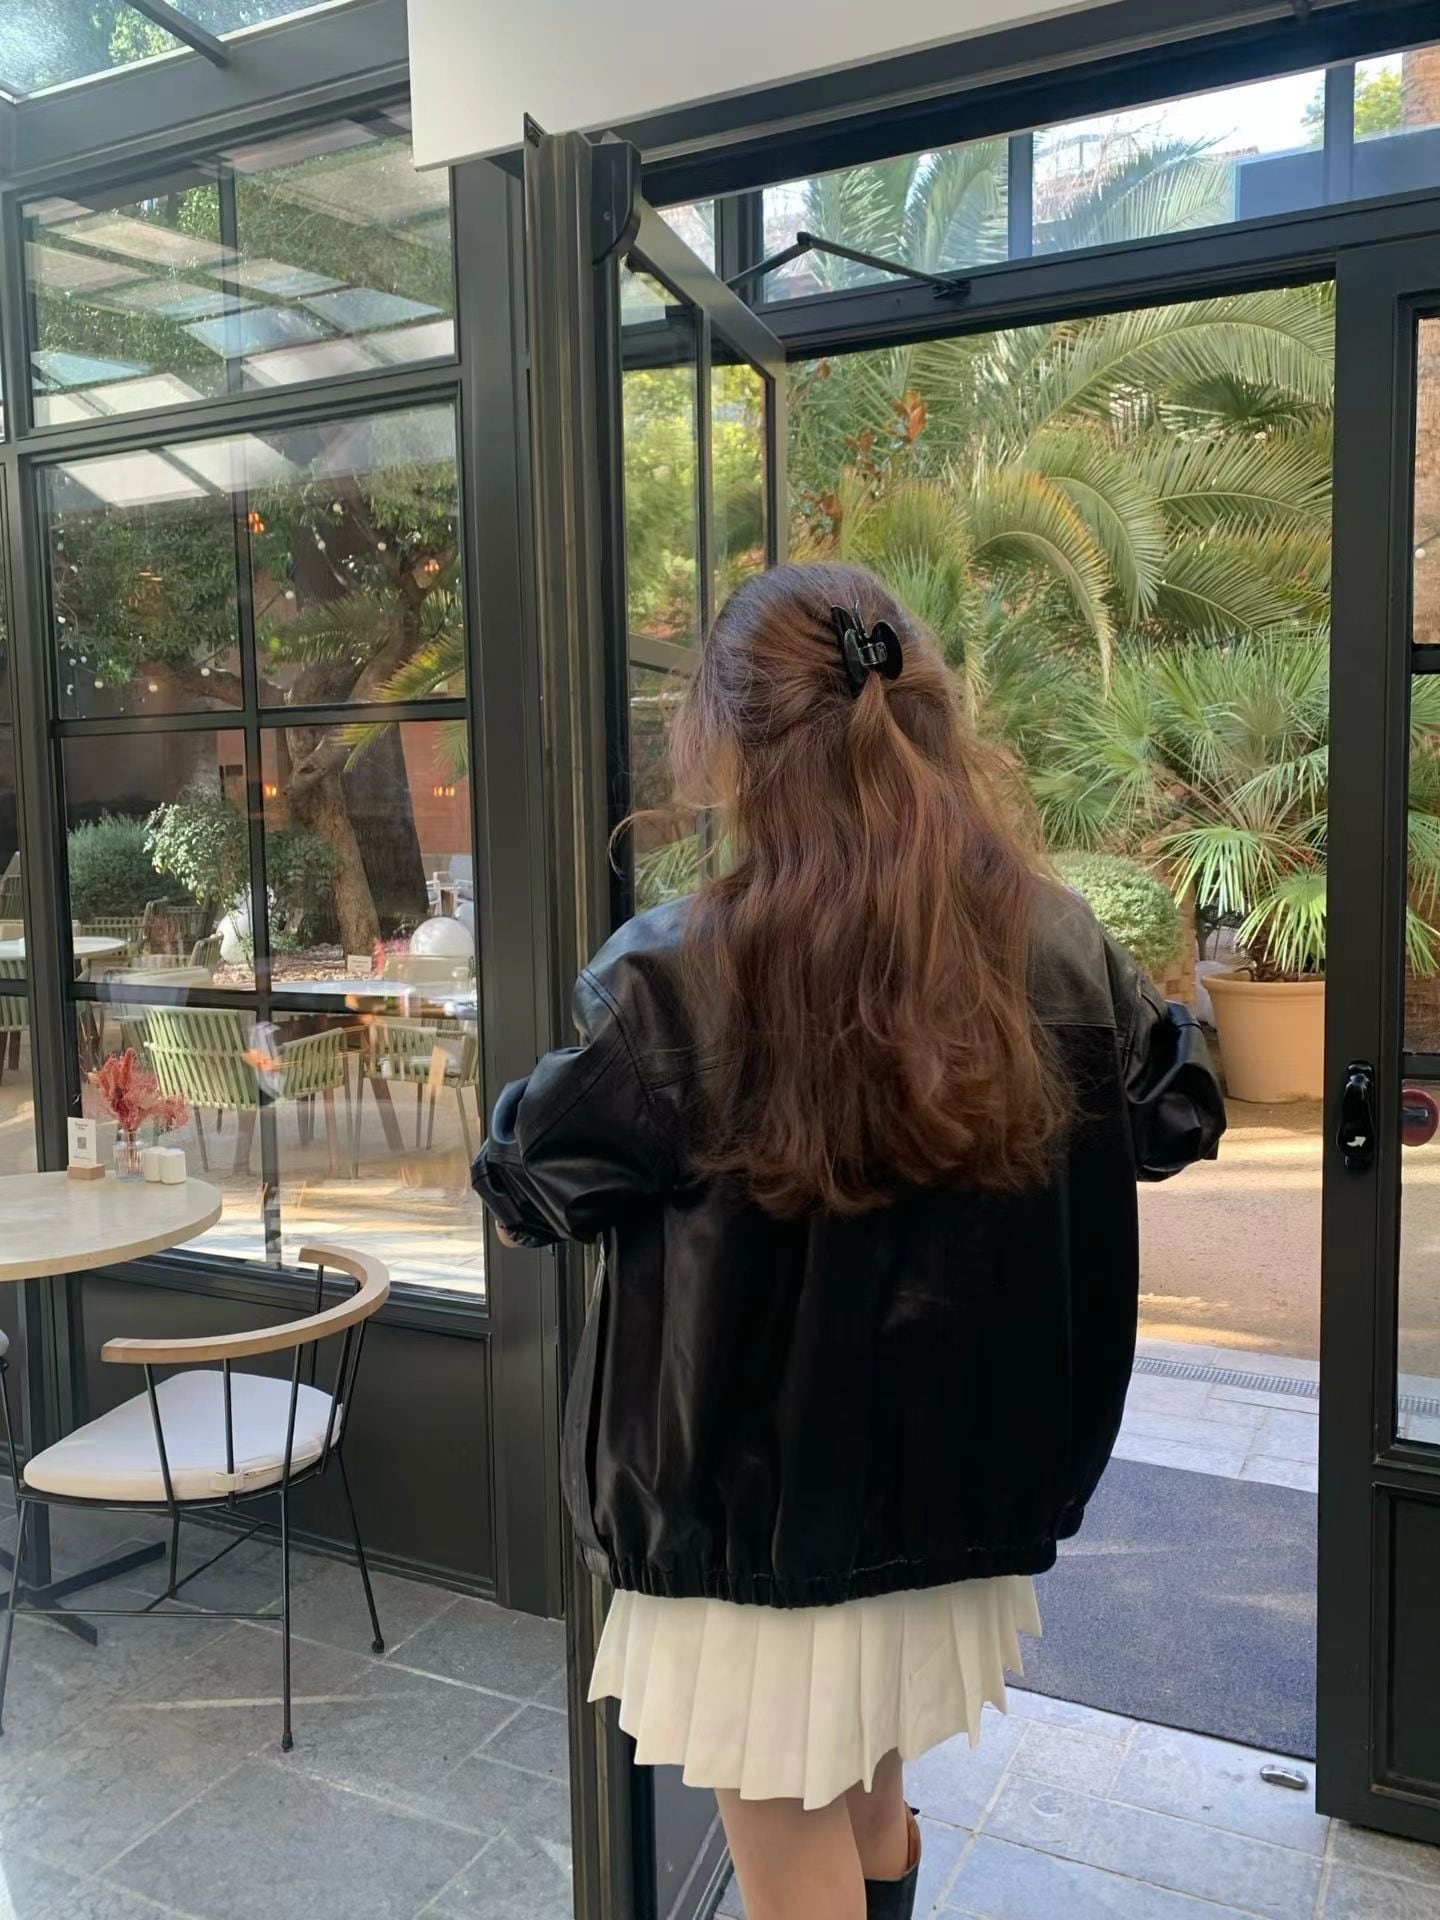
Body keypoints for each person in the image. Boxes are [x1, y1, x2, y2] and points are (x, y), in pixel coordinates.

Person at [471, 562, 1225, 1920]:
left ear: (729, 743)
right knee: (872, 1802)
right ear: (924, 711)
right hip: (954, 1499)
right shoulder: (1052, 941)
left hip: (750, 1529)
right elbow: (1178, 1105)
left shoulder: (676, 973)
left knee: (791, 1853)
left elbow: (533, 1176)